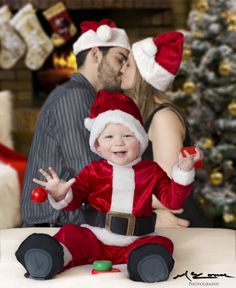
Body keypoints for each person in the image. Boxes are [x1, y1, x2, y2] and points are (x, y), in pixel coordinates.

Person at [15, 90, 202, 282]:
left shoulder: (151, 171)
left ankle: (145, 263)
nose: (119, 142)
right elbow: (74, 200)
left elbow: (172, 200)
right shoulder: (93, 171)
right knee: (71, 234)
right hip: (95, 239)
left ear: (141, 140)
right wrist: (61, 194)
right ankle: (47, 256)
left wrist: (183, 171)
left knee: (161, 243)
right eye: (109, 137)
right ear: (97, 145)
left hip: (136, 240)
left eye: (128, 135)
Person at [21, 19, 130, 227]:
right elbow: (89, 173)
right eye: (120, 59)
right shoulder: (75, 97)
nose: (124, 69)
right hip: (55, 226)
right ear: (96, 54)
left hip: (70, 219)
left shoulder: (83, 95)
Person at [120, 31, 210, 227]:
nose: (121, 69)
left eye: (128, 65)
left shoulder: (163, 118)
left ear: (144, 75)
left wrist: (117, 202)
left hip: (178, 223)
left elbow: (168, 192)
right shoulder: (145, 116)